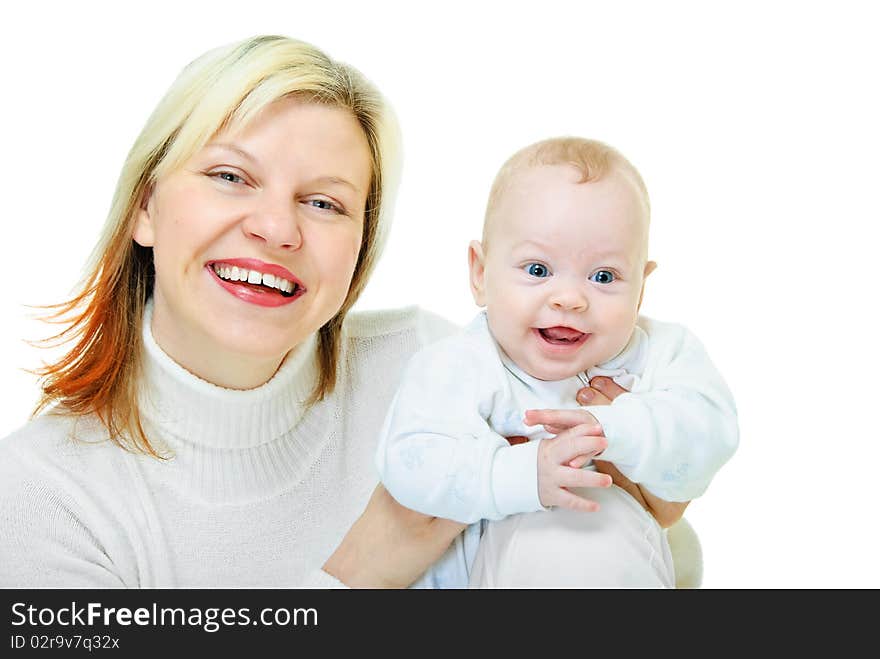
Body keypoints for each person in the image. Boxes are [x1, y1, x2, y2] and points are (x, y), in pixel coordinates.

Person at [0, 36, 689, 589]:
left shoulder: (438, 365)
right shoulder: (42, 498)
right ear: (146, 206)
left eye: (324, 202)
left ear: (360, 248)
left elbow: (662, 557)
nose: (276, 229)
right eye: (230, 176)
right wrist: (360, 575)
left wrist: (647, 476)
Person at [376, 137, 739, 587]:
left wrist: (620, 427)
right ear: (480, 274)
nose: (570, 299)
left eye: (604, 277)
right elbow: (411, 460)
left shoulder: (661, 353)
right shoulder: (459, 365)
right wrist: (520, 474)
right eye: (537, 270)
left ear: (640, 290)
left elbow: (710, 428)